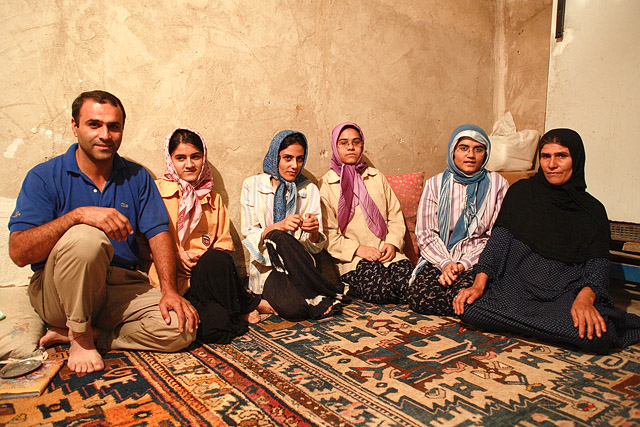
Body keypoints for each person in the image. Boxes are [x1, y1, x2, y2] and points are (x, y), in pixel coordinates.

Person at [8, 91, 198, 374]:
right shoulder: (44, 176)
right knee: (87, 237)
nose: (105, 135)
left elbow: (158, 233)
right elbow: (19, 252)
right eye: (94, 125)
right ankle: (81, 339)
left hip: (118, 286)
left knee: (180, 329)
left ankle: (95, 334)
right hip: (59, 292)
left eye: (114, 126)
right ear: (75, 126)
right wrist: (77, 217)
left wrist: (169, 291)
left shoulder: (137, 176)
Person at [453, 128, 640, 353]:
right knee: (469, 309)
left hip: (564, 292)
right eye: (545, 156)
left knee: (596, 336)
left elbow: (597, 264)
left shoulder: (592, 210)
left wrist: (585, 298)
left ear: (576, 159)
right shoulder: (521, 193)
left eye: (561, 156)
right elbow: (498, 244)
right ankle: (546, 327)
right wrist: (478, 284)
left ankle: (553, 323)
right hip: (516, 287)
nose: (552, 164)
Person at [146, 128, 260, 344]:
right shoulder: (156, 193)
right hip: (171, 282)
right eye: (180, 158)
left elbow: (223, 244)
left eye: (195, 157)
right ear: (170, 160)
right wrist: (175, 256)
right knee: (215, 329)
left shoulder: (213, 198)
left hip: (205, 281)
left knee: (217, 260)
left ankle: (235, 307)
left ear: (203, 158)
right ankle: (239, 308)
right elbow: (143, 242)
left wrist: (202, 259)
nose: (189, 164)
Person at [240, 130, 348, 320]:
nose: (294, 166)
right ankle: (326, 291)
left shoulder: (308, 189)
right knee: (295, 311)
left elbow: (313, 249)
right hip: (267, 269)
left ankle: (316, 293)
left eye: (299, 159)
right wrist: (277, 227)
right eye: (287, 158)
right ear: (275, 157)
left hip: (301, 270)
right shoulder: (252, 186)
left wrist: (313, 232)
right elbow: (249, 234)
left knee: (284, 238)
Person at [404, 124, 508, 315]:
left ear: (486, 154)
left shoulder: (498, 184)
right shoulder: (435, 184)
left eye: (478, 149)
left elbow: (495, 237)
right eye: (464, 148)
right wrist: (446, 264)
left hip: (478, 259)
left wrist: (464, 264)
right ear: (453, 151)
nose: (471, 155)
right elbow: (426, 233)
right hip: (439, 257)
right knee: (420, 297)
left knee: (470, 296)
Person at [319, 122, 413, 304]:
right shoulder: (325, 185)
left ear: (362, 145)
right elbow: (328, 234)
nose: (351, 147)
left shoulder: (376, 177)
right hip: (353, 260)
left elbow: (395, 216)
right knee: (381, 290)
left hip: (387, 253)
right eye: (343, 143)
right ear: (335, 146)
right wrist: (358, 250)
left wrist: (392, 244)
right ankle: (347, 288)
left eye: (356, 142)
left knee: (409, 281)